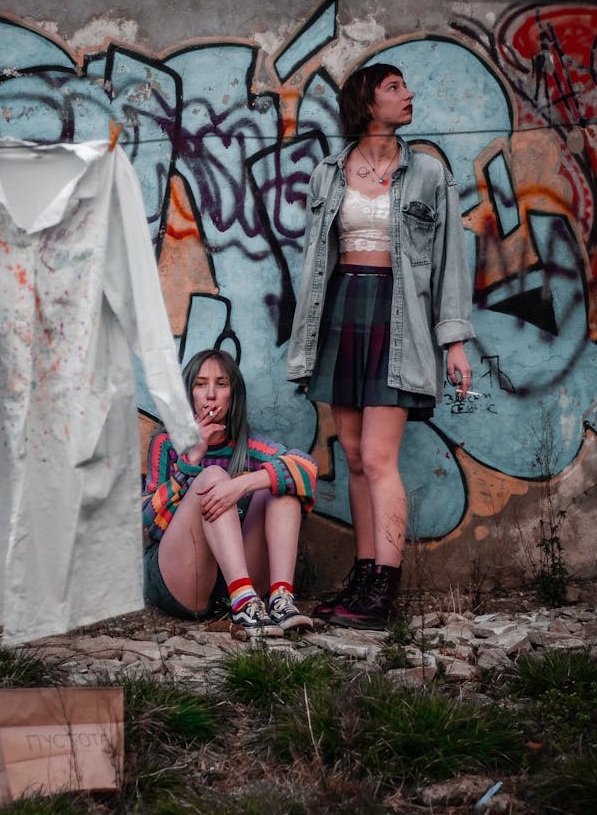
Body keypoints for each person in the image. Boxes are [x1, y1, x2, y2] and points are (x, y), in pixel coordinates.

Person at [287, 63, 475, 628]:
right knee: (351, 457)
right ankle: (364, 579)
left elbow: (449, 263)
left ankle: (384, 592)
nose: (408, 94)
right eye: (395, 88)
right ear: (368, 102)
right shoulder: (329, 172)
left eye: (406, 87)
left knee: (377, 457)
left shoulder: (427, 174)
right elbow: (316, 262)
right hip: (342, 310)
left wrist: (455, 342)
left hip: (399, 319)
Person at [142, 348, 318, 638]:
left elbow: (307, 468)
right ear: (189, 394)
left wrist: (242, 484)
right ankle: (244, 602)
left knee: (283, 487)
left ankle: (280, 600)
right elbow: (150, 523)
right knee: (213, 477)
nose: (210, 395)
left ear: (233, 395)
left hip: (237, 584)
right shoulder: (166, 444)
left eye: (221, 385)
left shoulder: (249, 446)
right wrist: (191, 461)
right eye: (201, 384)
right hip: (182, 580)